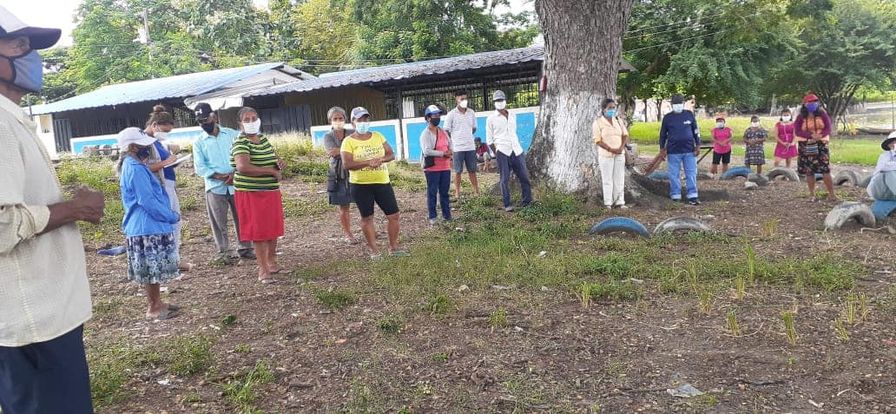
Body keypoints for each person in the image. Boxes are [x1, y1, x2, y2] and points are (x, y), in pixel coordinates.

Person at [0, 10, 104, 412]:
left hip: (41, 318)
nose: (32, 56)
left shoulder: (12, 118)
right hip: (33, 325)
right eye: (19, 44)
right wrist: (72, 209)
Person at [117, 127, 182, 320]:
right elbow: (147, 200)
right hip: (146, 226)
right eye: (142, 145)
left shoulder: (134, 165)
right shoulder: (135, 168)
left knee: (152, 269)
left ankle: (157, 302)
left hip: (146, 225)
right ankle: (153, 307)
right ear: (132, 147)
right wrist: (170, 216)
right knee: (151, 269)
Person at [192, 102, 256, 264]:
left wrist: (235, 174)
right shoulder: (199, 142)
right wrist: (221, 177)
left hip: (237, 183)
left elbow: (244, 154)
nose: (204, 124)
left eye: (206, 119)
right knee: (218, 221)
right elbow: (200, 167)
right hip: (215, 186)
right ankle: (224, 252)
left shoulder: (232, 135)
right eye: (200, 122)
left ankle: (245, 248)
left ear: (214, 116)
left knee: (242, 217)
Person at [341, 107, 406, 258]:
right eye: (359, 120)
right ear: (353, 122)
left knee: (394, 215)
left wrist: (381, 159)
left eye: (365, 119)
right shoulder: (348, 142)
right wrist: (368, 162)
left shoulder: (378, 136)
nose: (363, 122)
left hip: (382, 182)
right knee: (367, 217)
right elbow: (347, 164)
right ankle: (374, 251)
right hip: (360, 186)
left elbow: (390, 154)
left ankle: (393, 248)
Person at [231, 107, 286, 283]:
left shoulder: (263, 139)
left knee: (272, 228)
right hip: (251, 193)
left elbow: (273, 158)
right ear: (240, 123)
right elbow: (242, 167)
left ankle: (271, 261)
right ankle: (263, 269)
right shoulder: (241, 142)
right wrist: (270, 171)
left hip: (270, 191)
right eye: (247, 119)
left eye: (254, 118)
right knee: (259, 231)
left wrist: (278, 164)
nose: (251, 122)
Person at [144, 105, 192, 271]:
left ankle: (173, 257)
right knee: (166, 222)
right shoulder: (143, 143)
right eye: (165, 130)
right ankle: (166, 259)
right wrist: (166, 162)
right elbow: (141, 168)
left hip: (168, 185)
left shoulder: (156, 142)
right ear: (154, 125)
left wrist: (173, 162)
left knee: (175, 221)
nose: (166, 134)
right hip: (158, 188)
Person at [486, 90, 533, 212]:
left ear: (505, 101)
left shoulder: (513, 115)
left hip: (516, 150)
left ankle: (527, 201)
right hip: (502, 151)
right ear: (494, 103)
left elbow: (513, 133)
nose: (499, 102)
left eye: (501, 100)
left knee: (524, 177)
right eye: (497, 100)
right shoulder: (491, 119)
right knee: (504, 179)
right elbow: (489, 140)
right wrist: (497, 152)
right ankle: (507, 204)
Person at [323, 106, 358, 244]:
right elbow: (332, 152)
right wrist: (349, 149)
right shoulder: (328, 136)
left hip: (355, 171)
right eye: (335, 118)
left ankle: (369, 228)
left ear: (345, 119)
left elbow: (358, 149)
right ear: (330, 120)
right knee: (344, 206)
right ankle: (348, 234)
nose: (338, 121)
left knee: (363, 202)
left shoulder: (352, 132)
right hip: (338, 175)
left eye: (340, 118)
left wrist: (342, 151)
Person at [794, 93, 838, 202]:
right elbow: (797, 130)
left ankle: (832, 194)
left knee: (825, 169)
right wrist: (810, 136)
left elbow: (828, 128)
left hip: (821, 144)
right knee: (809, 170)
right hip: (805, 145)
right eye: (810, 102)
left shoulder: (822, 114)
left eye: (815, 101)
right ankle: (812, 194)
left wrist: (820, 135)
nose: (813, 104)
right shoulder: (801, 117)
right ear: (805, 104)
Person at [659, 94, 701, 205]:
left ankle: (693, 196)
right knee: (674, 174)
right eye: (675, 104)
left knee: (691, 173)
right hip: (673, 151)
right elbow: (663, 134)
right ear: (672, 105)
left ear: (683, 104)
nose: (678, 105)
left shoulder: (689, 114)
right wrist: (662, 148)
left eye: (680, 103)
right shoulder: (667, 118)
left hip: (689, 150)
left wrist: (698, 144)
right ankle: (675, 195)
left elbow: (695, 130)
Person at [592, 98, 629, 209]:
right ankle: (608, 203)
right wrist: (610, 149)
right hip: (606, 155)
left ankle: (620, 202)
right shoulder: (598, 123)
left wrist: (621, 148)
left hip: (619, 154)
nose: (612, 110)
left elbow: (625, 135)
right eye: (610, 108)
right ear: (604, 109)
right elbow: (598, 140)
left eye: (613, 108)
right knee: (607, 179)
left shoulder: (618, 120)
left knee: (619, 178)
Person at [420, 104, 453, 224]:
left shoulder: (442, 131)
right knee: (432, 192)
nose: (437, 117)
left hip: (445, 167)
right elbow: (426, 151)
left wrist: (450, 151)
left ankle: (447, 216)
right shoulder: (425, 134)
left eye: (438, 115)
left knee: (445, 193)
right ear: (428, 118)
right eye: (434, 115)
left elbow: (450, 143)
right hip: (432, 169)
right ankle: (433, 216)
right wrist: (443, 153)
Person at [444, 90, 480, 198]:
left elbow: (474, 128)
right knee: (458, 171)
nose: (464, 101)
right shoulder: (451, 114)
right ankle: (457, 192)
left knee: (472, 170)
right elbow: (446, 130)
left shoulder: (471, 112)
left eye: (465, 98)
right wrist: (454, 140)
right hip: (457, 148)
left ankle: (476, 191)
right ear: (457, 99)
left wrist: (467, 136)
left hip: (470, 147)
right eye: (462, 99)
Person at [867, 132, 896, 201]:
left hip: (891, 193)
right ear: (890, 145)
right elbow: (883, 167)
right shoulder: (885, 156)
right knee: (889, 172)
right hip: (879, 190)